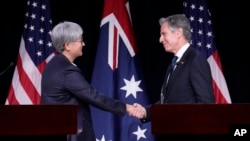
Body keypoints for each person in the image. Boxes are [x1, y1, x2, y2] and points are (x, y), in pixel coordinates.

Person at [40, 21, 143, 141]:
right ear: (67, 45)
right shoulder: (67, 71)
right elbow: (93, 96)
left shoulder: (53, 65)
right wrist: (127, 107)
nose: (83, 44)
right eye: (80, 41)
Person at [132, 14, 215, 122]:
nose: (160, 39)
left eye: (164, 34)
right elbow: (168, 102)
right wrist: (146, 111)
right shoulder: (174, 63)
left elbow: (206, 105)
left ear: (178, 33)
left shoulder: (195, 60)